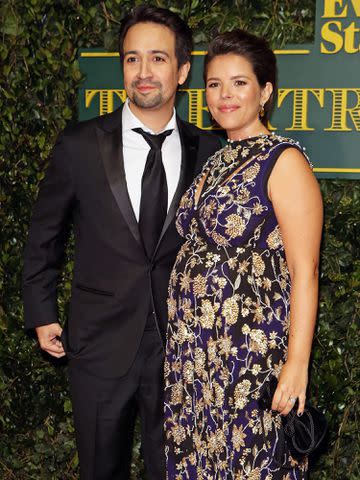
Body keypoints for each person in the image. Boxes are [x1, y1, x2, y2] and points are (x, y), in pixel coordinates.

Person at [22, 5, 220, 479]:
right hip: (97, 342)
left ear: (183, 70)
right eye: (132, 59)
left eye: (157, 58)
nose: (144, 72)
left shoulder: (210, 152)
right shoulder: (79, 144)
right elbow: (44, 237)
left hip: (181, 350)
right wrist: (42, 312)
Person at [164, 29, 323, 479]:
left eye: (239, 83)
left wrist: (297, 364)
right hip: (196, 357)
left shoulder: (284, 161)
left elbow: (304, 270)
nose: (224, 95)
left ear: (265, 91)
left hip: (248, 359)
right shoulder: (216, 157)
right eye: (214, 84)